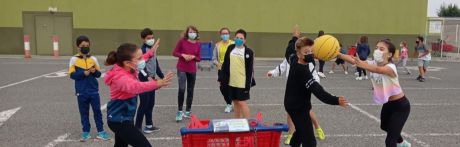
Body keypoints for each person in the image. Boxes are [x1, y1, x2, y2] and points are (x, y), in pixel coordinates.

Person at [339, 39, 412, 147]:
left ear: (389, 54)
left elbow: (378, 69)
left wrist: (361, 64)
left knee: (390, 141)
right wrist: (338, 54)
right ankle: (402, 143)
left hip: (401, 106)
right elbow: (353, 60)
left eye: (381, 49)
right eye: (377, 48)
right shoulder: (373, 63)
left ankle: (399, 143)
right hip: (388, 103)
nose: (377, 51)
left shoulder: (391, 67)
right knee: (384, 126)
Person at [104, 43, 174, 147]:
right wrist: (156, 83)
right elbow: (136, 87)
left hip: (125, 117)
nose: (142, 60)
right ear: (127, 63)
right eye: (139, 58)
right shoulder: (120, 77)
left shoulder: (128, 66)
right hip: (119, 120)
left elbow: (144, 58)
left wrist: (151, 52)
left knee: (120, 145)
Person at [266, 25, 327, 144]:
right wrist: (272, 73)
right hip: (292, 90)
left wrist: (313, 84)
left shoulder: (308, 61)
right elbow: (281, 68)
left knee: (308, 112)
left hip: (303, 91)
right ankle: (291, 134)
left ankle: (317, 127)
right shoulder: (290, 57)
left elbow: (314, 75)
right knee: (290, 113)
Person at [284, 36, 348, 147]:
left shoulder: (293, 58)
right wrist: (336, 100)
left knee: (300, 131)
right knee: (310, 141)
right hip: (298, 108)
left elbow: (289, 50)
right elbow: (319, 92)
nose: (310, 54)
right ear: (299, 53)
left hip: (292, 104)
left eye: (312, 51)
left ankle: (293, 144)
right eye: (306, 52)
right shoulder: (302, 72)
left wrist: (295, 37)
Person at [69, 35, 110, 141]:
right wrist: (83, 73)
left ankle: (101, 131)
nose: (85, 47)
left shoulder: (93, 59)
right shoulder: (74, 59)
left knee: (97, 111)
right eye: (83, 46)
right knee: (84, 113)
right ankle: (85, 132)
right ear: (78, 47)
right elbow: (72, 75)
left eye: (87, 46)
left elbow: (98, 74)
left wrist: (94, 71)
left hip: (93, 91)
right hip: (81, 91)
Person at [135, 28, 164, 133]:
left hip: (152, 79)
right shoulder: (142, 50)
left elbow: (155, 63)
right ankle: (137, 127)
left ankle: (149, 125)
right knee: (144, 104)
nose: (151, 40)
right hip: (143, 81)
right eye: (148, 38)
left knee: (151, 103)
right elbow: (141, 66)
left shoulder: (153, 49)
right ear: (143, 39)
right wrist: (148, 77)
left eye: (152, 38)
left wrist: (161, 76)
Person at [221, 29, 256, 119]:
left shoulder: (248, 52)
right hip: (232, 82)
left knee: (242, 102)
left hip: (242, 83)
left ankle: (248, 124)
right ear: (234, 38)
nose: (238, 39)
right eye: (237, 37)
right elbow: (225, 64)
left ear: (244, 40)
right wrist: (222, 78)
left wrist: (247, 86)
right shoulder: (230, 48)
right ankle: (237, 123)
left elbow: (250, 70)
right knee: (235, 102)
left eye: (241, 38)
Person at [172, 25, 201, 122]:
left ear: (196, 33)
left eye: (194, 32)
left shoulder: (198, 44)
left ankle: (188, 111)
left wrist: (193, 57)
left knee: (190, 90)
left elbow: (199, 58)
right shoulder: (182, 41)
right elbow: (175, 53)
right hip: (182, 68)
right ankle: (180, 111)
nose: (192, 33)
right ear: (187, 33)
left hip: (192, 69)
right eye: (190, 32)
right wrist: (183, 55)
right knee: (182, 88)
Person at [212, 27, 235, 113]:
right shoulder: (217, 45)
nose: (225, 35)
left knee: (232, 86)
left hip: (232, 68)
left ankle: (233, 102)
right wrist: (217, 63)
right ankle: (229, 103)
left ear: (229, 34)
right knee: (223, 87)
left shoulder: (234, 43)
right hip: (221, 69)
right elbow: (214, 58)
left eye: (226, 33)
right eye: (223, 34)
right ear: (220, 35)